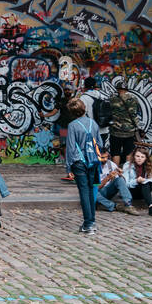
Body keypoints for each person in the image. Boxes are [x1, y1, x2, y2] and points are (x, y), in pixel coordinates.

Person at [65, 99, 100, 233]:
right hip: (92, 161)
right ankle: (92, 221)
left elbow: (70, 147)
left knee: (84, 191)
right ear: (84, 108)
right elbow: (100, 143)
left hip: (78, 162)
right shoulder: (93, 123)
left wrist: (68, 167)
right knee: (91, 190)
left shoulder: (73, 125)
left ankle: (88, 223)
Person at [106, 83, 138, 166]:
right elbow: (135, 113)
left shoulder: (112, 99)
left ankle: (115, 173)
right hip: (129, 131)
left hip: (116, 130)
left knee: (115, 152)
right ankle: (128, 172)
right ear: (126, 89)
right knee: (128, 152)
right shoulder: (134, 99)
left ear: (118, 89)